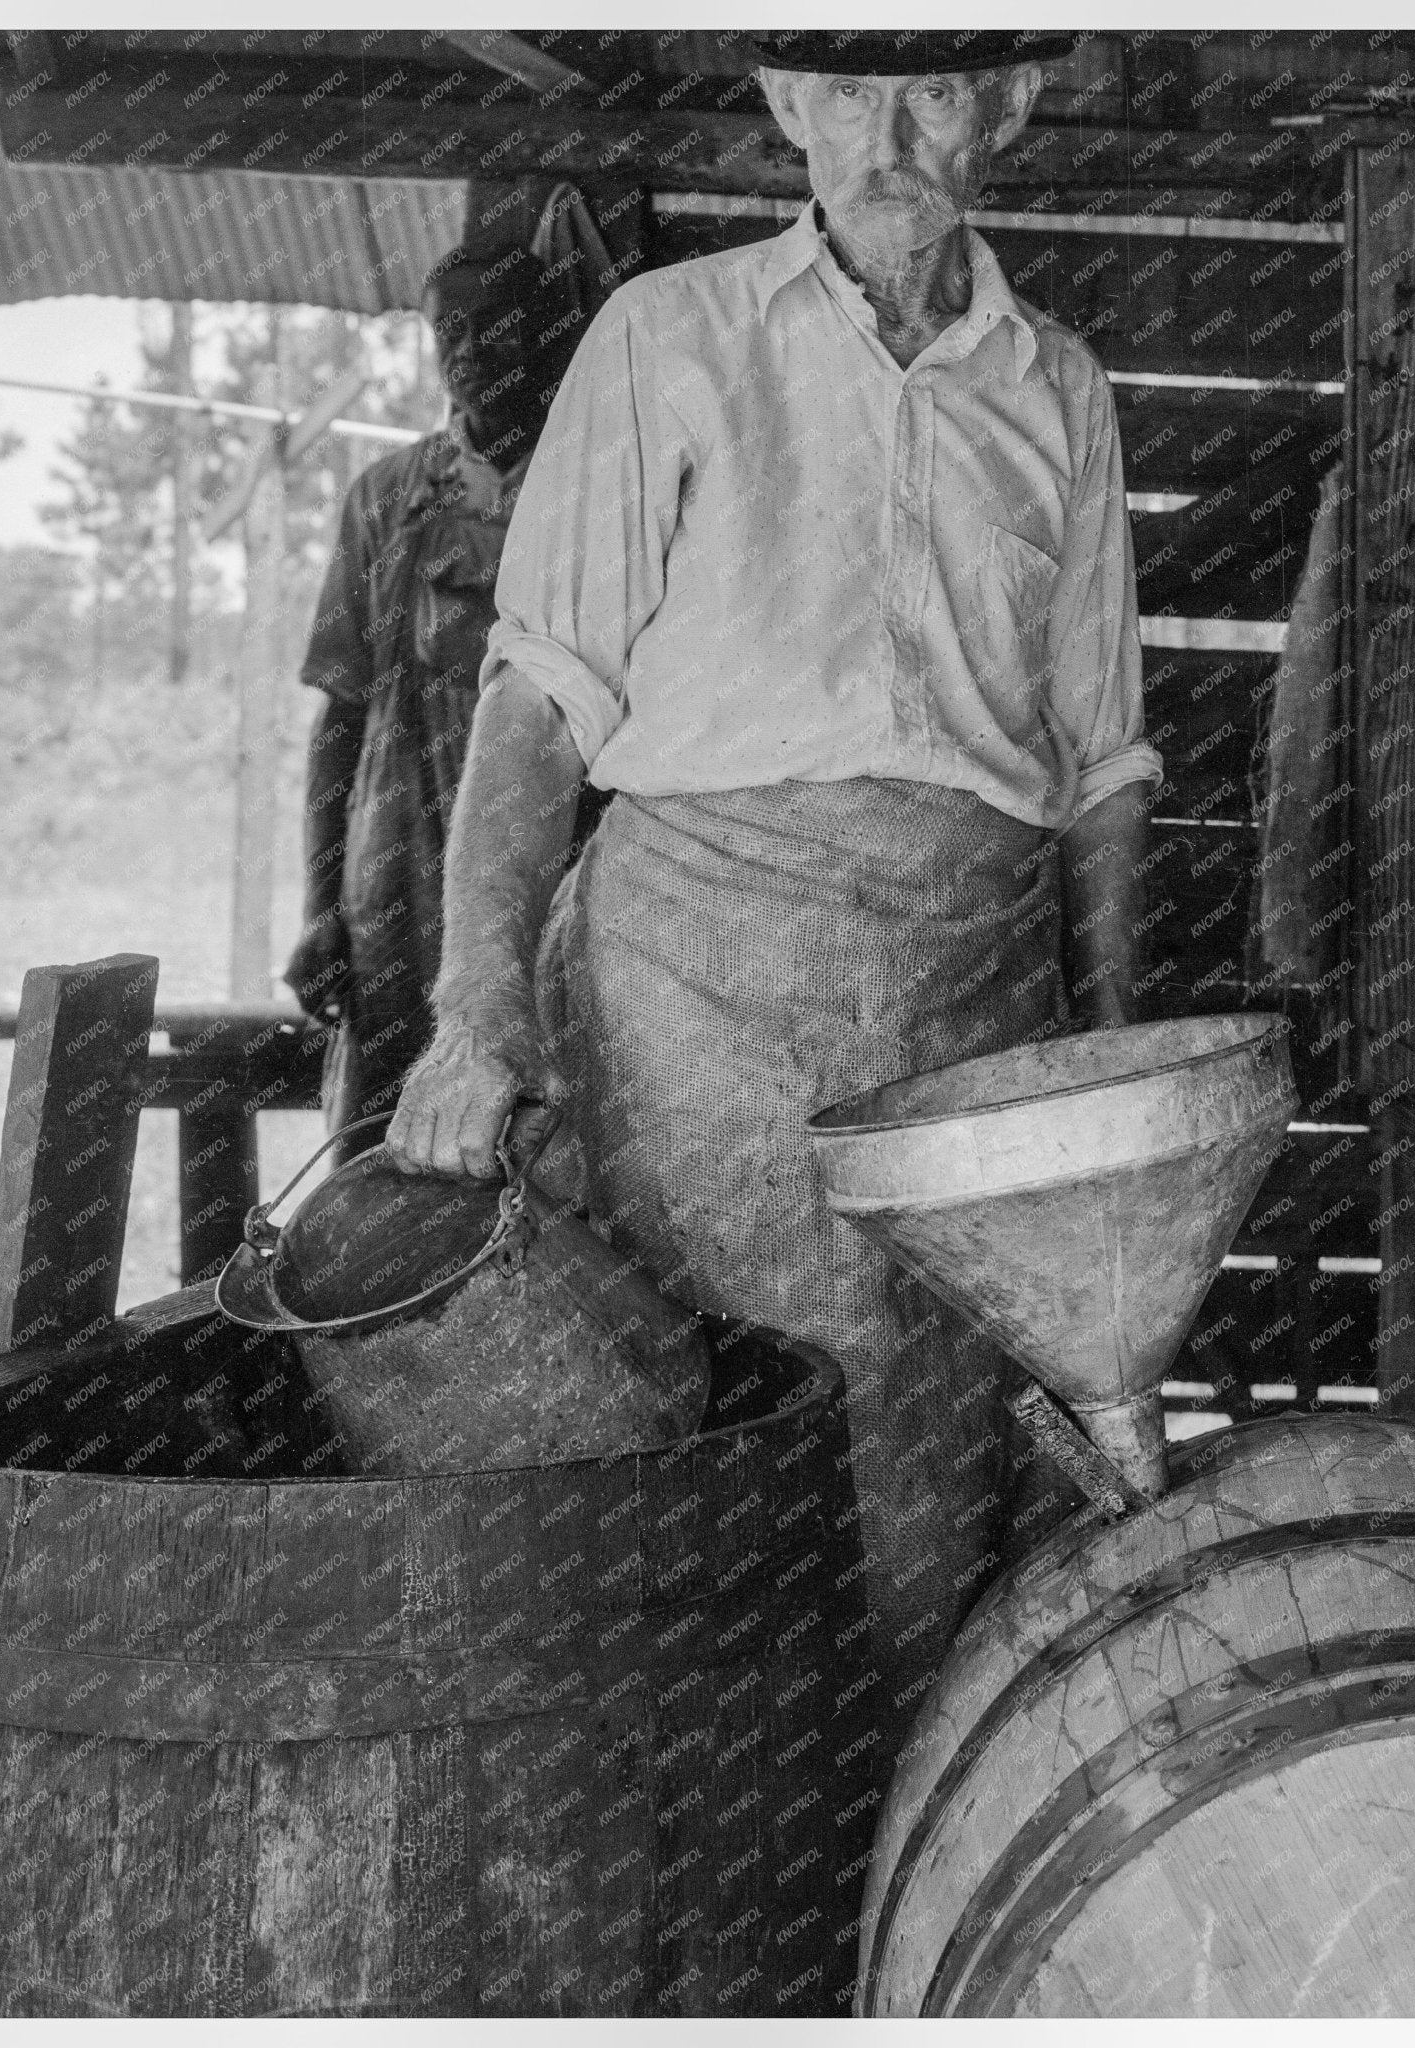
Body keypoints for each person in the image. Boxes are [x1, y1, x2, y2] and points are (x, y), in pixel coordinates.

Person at [387, 34, 1162, 1736]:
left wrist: (1110, 1066)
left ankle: (899, 1913)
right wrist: (474, 1014)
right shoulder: (666, 342)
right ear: (779, 104)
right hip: (689, 1008)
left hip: (967, 1018)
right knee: (692, 1465)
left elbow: (1101, 764)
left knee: (936, 1499)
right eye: (838, 87)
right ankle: (693, 1914)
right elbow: (537, 703)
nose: (883, 138)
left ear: (1010, 106)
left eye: (935, 90)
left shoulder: (1062, 388)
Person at [283, 188, 612, 1153]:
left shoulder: (595, 493)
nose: (468, 351)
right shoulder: (385, 502)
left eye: (497, 327)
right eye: (449, 331)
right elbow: (339, 719)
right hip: (394, 880)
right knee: (390, 1138)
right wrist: (321, 912)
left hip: (554, 867)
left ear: (553, 339)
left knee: (551, 1126)